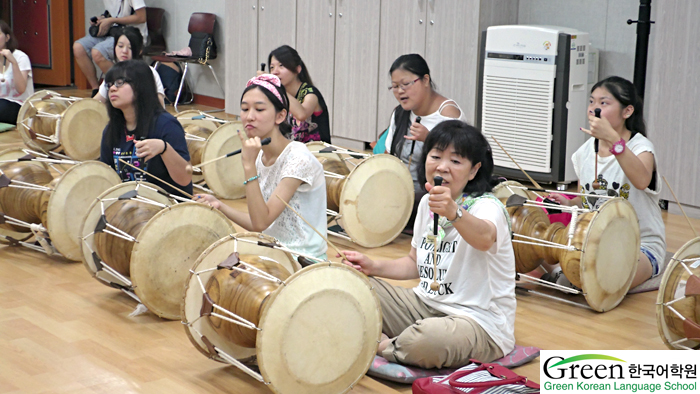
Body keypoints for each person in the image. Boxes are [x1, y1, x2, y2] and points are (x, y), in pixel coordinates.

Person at [341, 120, 515, 369]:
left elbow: (485, 238)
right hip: (423, 305)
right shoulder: (427, 204)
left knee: (425, 340)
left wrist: (454, 212)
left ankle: (380, 344)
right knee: (347, 284)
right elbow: (415, 263)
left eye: (455, 161)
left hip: (480, 322)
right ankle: (389, 341)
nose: (442, 167)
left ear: (474, 170)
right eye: (435, 156)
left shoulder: (487, 206)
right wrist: (372, 265)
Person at [549, 76, 666, 289]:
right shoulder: (583, 153)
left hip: (641, 246)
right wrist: (570, 203)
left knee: (604, 278)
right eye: (592, 101)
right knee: (541, 254)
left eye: (604, 103)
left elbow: (641, 180)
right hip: (594, 242)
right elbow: (590, 201)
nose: (595, 109)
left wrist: (613, 140)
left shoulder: (641, 148)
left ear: (627, 111)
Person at [194, 74, 328, 260]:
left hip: (303, 260)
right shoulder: (261, 157)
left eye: (259, 109)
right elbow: (261, 222)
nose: (249, 116)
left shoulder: (298, 159)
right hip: (274, 253)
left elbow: (260, 222)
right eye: (244, 109)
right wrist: (220, 206)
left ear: (280, 116)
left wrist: (248, 166)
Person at [384, 54, 464, 228]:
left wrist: (430, 139)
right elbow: (388, 156)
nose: (400, 91)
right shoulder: (400, 113)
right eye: (395, 86)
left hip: (433, 197)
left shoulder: (448, 114)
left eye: (405, 84)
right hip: (399, 194)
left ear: (425, 79)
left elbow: (460, 164)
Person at [99, 60, 192, 198]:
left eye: (119, 83)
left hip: (168, 209)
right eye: (110, 84)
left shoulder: (166, 125)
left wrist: (164, 148)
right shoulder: (111, 130)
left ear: (140, 86)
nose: (112, 88)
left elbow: (185, 179)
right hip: (131, 208)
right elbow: (107, 179)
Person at [73, 0, 147, 94]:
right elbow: (113, 14)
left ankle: (122, 86)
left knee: (98, 52)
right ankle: (96, 89)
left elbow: (141, 17)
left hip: (132, 35)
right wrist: (102, 19)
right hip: (112, 32)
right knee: (78, 47)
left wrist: (112, 20)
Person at [264, 45, 330, 143]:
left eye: (281, 66)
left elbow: (301, 114)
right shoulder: (277, 94)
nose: (275, 72)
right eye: (272, 68)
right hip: (291, 152)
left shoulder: (310, 93)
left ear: (297, 69)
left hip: (317, 154)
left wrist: (278, 89)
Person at [93, 27, 165, 108]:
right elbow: (97, 101)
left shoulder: (148, 72)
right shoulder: (112, 73)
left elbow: (160, 105)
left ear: (140, 50)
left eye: (130, 48)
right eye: (120, 46)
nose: (124, 51)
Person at [0, 20, 33, 125]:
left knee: (2, 106)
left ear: (7, 37)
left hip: (19, 106)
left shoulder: (21, 57)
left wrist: (13, 62)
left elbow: (21, 89)